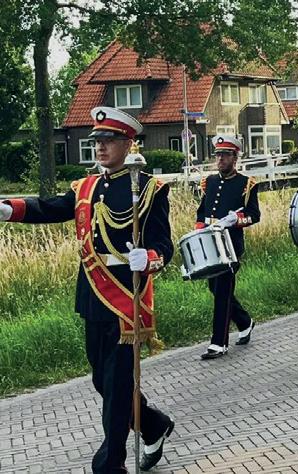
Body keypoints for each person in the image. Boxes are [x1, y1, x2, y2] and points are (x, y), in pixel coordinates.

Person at [0, 106, 175, 472]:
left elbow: (164, 245)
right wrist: (10, 210)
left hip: (125, 300)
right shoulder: (86, 188)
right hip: (93, 297)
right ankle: (154, 424)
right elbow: (50, 208)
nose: (100, 147)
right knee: (103, 381)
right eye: (97, 141)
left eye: (108, 140)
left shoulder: (149, 189)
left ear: (128, 144)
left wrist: (149, 257)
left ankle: (110, 464)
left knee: (116, 386)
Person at [195, 135, 260, 360]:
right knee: (215, 288)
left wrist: (236, 219)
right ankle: (245, 321)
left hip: (231, 245)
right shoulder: (210, 182)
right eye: (218, 155)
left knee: (222, 292)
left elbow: (254, 215)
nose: (220, 159)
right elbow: (202, 212)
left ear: (235, 157)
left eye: (225, 155)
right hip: (210, 243)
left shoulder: (246, 184)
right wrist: (199, 228)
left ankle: (218, 343)